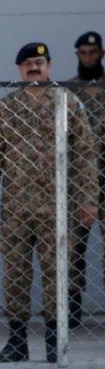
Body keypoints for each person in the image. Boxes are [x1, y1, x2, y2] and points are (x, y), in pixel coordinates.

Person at [0, 42, 96, 364]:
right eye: (28, 63)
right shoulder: (7, 107)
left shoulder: (66, 103)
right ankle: (17, 341)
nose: (34, 68)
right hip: (16, 208)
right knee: (15, 275)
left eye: (40, 63)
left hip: (58, 209)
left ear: (49, 66)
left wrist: (88, 199)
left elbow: (86, 155)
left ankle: (54, 344)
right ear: (20, 68)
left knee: (56, 275)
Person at [68, 31, 105, 326]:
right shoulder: (69, 92)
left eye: (93, 53)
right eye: (83, 53)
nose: (88, 58)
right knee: (71, 247)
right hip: (77, 180)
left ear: (101, 55)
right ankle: (71, 309)